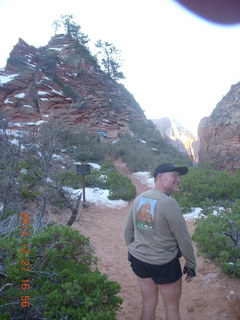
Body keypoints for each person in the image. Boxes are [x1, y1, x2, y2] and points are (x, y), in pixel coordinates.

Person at [124, 163, 196, 320]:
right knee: (171, 309)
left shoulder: (140, 198)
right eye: (174, 176)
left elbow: (128, 231)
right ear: (159, 177)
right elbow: (183, 238)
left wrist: (133, 250)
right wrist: (191, 264)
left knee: (148, 305)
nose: (179, 180)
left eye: (179, 177)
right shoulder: (169, 203)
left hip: (140, 260)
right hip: (164, 264)